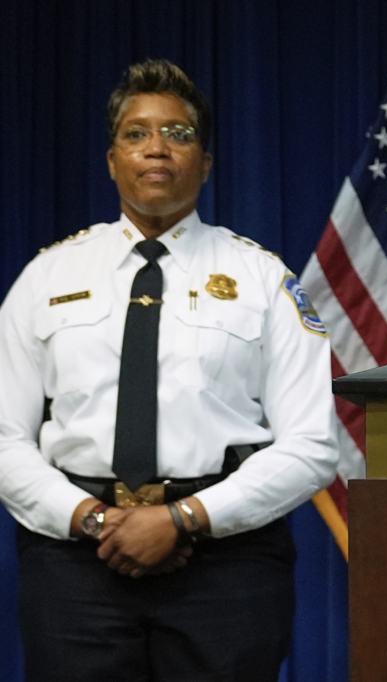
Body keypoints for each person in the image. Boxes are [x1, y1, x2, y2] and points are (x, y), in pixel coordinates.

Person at [0, 59, 340, 680]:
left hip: (228, 565)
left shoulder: (263, 279)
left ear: (205, 164)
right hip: (75, 565)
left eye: (178, 134)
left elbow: (312, 446)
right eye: (137, 133)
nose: (156, 147)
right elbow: (4, 438)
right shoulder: (45, 277)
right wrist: (97, 521)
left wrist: (183, 519)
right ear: (112, 161)